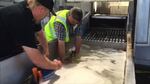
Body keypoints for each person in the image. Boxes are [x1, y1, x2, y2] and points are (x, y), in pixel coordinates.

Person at [0, 0, 62, 72]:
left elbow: (40, 34)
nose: (45, 17)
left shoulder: (30, 11)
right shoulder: (20, 17)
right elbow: (36, 59)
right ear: (41, 9)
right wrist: (56, 66)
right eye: (47, 13)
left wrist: (46, 53)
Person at [42, 7, 83, 79]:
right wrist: (63, 60)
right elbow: (61, 43)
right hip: (50, 37)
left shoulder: (77, 19)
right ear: (69, 15)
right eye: (73, 22)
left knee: (67, 47)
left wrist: (77, 54)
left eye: (76, 23)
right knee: (53, 56)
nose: (74, 24)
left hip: (61, 38)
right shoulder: (60, 22)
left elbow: (78, 37)